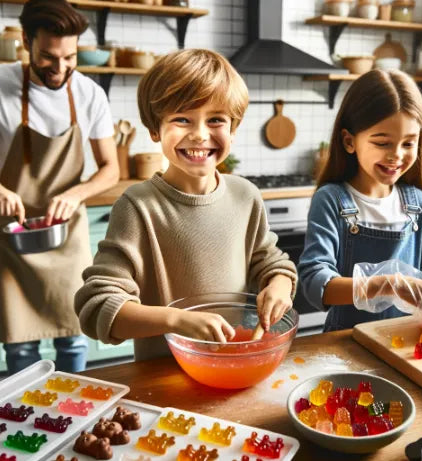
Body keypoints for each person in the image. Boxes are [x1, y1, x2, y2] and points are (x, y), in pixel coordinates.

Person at [74, 49, 297, 359]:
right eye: (182, 119)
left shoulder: (246, 196)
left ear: (233, 129)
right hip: (163, 380)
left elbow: (270, 261)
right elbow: (97, 306)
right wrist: (177, 320)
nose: (199, 135)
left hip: (235, 365)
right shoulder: (138, 207)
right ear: (155, 129)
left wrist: (280, 284)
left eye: (216, 120)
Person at [0, 0, 119, 374]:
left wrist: (74, 195)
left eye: (70, 57)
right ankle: (26, 414)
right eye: (48, 57)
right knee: (19, 345)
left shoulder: (90, 94)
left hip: (66, 231)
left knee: (73, 334)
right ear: (26, 41)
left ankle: (74, 416)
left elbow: (110, 169)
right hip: (13, 231)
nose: (60, 68)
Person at [298, 70, 422, 333]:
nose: (396, 155)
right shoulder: (332, 200)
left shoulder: (417, 202)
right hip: (348, 341)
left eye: (408, 143)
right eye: (382, 143)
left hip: (407, 337)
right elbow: (315, 284)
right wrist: (387, 284)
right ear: (349, 141)